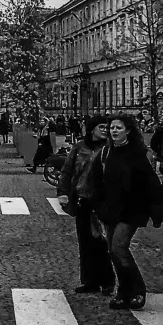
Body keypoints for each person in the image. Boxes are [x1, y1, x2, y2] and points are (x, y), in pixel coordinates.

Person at [84, 112, 163, 310]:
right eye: (111, 128)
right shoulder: (105, 153)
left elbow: (151, 182)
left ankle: (138, 290)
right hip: (110, 210)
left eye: (118, 128)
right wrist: (98, 206)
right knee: (113, 251)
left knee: (119, 247)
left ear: (127, 130)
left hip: (132, 210)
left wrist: (157, 209)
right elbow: (94, 181)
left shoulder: (137, 154)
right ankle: (123, 291)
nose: (114, 131)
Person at [57, 114, 114, 294]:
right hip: (82, 199)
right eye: (101, 127)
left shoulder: (110, 148)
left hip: (102, 201)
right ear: (91, 129)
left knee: (101, 242)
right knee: (85, 242)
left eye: (106, 127)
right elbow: (67, 171)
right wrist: (62, 193)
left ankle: (108, 280)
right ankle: (90, 280)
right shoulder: (79, 147)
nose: (105, 130)